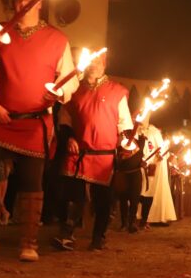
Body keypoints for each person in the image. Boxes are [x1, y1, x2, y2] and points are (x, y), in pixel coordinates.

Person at [0, 0, 78, 262]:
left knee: (31, 179)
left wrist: (59, 93)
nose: (22, 4)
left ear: (40, 3)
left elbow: (71, 78)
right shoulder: (0, 32)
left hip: (35, 122)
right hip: (3, 118)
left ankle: (28, 243)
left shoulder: (58, 39)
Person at [52, 52, 132, 251]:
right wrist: (69, 136)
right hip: (78, 152)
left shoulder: (117, 91)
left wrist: (125, 142)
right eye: (92, 61)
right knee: (72, 196)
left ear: (104, 66)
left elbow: (124, 123)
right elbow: (64, 118)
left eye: (99, 62)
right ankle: (67, 235)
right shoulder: (74, 89)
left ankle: (98, 238)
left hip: (103, 155)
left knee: (103, 200)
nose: (94, 65)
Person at [139, 121, 163, 229]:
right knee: (137, 193)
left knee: (148, 193)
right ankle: (133, 219)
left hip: (150, 167)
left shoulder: (154, 132)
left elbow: (159, 150)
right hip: (137, 166)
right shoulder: (136, 130)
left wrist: (159, 156)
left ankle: (144, 220)